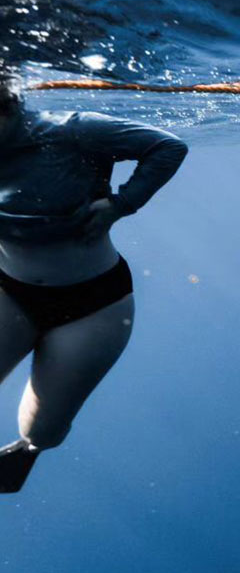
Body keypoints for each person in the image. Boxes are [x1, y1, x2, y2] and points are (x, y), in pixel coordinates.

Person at [0, 69, 188, 493]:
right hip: (8, 290)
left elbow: (166, 146)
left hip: (93, 305)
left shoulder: (73, 130)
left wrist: (122, 204)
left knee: (42, 430)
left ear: (8, 104)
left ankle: (27, 452)